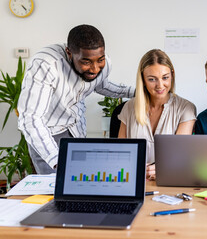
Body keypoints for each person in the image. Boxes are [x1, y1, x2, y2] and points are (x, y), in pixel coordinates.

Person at [18, 24, 135, 174]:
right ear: (69, 53)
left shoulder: (101, 64)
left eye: (100, 60)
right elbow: (31, 118)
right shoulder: (46, 64)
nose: (95, 68)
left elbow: (101, 85)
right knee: (54, 189)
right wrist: (55, 159)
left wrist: (138, 91)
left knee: (80, 184)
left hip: (76, 131)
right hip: (47, 135)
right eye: (86, 62)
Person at [118, 49, 196, 180]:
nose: (160, 85)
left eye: (165, 77)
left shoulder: (185, 108)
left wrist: (161, 169)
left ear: (172, 75)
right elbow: (121, 153)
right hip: (133, 179)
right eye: (152, 79)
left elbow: (179, 156)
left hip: (168, 180)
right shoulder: (129, 107)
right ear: (142, 79)